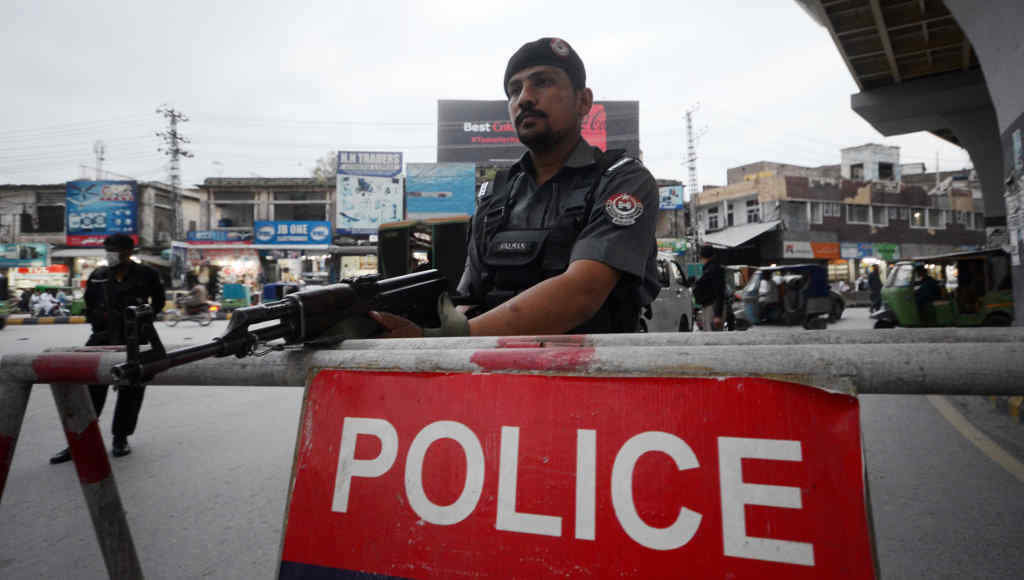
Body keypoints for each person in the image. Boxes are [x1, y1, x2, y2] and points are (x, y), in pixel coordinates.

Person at [372, 37, 659, 337]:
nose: (525, 98)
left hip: (594, 376)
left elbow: (582, 293)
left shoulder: (621, 181)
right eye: (514, 90)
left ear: (583, 101)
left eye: (543, 82)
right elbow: (469, 298)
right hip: (494, 377)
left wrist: (442, 338)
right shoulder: (494, 194)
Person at [50, 234, 164, 464]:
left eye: (116, 249)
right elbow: (89, 303)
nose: (111, 253)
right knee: (90, 390)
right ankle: (79, 441)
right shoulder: (99, 275)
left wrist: (142, 320)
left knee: (131, 391)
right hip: (102, 339)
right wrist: (99, 322)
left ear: (129, 252)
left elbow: (158, 302)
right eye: (108, 249)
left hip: (135, 339)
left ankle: (120, 438)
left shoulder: (147, 274)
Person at [693, 245, 726, 331]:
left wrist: (717, 315)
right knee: (709, 333)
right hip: (708, 306)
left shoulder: (714, 269)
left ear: (702, 257)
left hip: (712, 307)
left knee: (712, 335)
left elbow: (719, 292)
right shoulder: (707, 268)